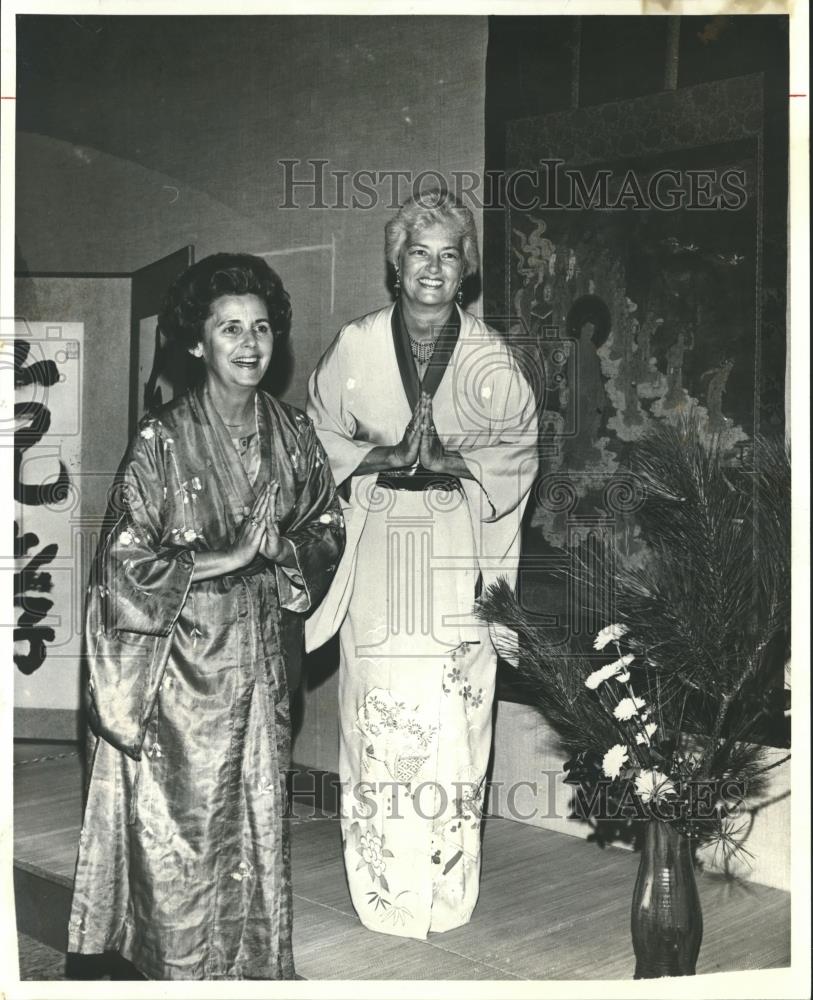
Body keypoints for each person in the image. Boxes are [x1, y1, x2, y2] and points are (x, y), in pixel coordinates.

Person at [67, 253, 345, 979]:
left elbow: (328, 523)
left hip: (260, 656)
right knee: (183, 824)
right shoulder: (162, 439)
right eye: (230, 330)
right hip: (180, 664)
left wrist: (282, 547)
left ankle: (250, 962)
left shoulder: (294, 434)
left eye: (260, 329)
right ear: (198, 343)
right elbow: (122, 565)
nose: (250, 344)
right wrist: (218, 560)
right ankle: (177, 966)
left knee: (255, 816)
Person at [306, 191, 538, 939]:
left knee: (454, 718)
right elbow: (311, 440)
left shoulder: (490, 356)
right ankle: (384, 890)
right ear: (394, 264)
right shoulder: (356, 345)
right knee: (381, 714)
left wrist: (457, 458)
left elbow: (521, 450)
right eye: (418, 253)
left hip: (455, 549)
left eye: (447, 254)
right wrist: (378, 454)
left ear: (465, 268)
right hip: (379, 548)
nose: (432, 268)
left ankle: (443, 888)